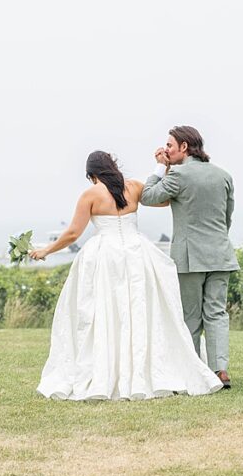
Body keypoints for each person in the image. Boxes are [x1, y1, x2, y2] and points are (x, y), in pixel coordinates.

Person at [31, 150, 223, 400]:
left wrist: (45, 250)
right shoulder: (133, 187)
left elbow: (72, 234)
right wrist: (162, 168)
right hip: (137, 255)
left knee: (105, 312)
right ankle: (145, 370)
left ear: (91, 174)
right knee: (140, 311)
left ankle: (109, 370)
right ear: (113, 166)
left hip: (105, 258)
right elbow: (162, 198)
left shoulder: (90, 194)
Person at [141, 126, 237, 389]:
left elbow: (147, 197)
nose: (166, 150)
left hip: (189, 257)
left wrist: (160, 168)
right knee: (216, 313)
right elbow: (227, 218)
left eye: (170, 145)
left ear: (184, 147)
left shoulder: (178, 175)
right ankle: (220, 370)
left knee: (191, 316)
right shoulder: (223, 175)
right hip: (220, 253)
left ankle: (196, 372)